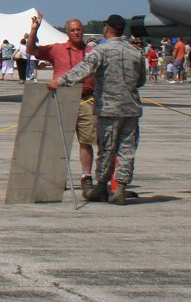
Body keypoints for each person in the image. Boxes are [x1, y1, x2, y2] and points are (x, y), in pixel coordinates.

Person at [48, 14, 146, 205]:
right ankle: (121, 188)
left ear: (107, 29)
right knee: (126, 150)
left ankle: (101, 186)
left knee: (106, 148)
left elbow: (84, 69)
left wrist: (61, 81)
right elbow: (141, 80)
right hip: (131, 108)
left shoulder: (102, 50)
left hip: (108, 108)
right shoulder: (135, 52)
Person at [27, 14, 98, 194]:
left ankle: (86, 176)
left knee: (86, 140)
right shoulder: (57, 49)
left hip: (86, 99)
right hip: (62, 99)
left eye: (79, 30)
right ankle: (57, 176)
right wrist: (34, 29)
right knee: (59, 141)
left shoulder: (92, 50)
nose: (76, 33)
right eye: (73, 30)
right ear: (67, 33)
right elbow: (31, 50)